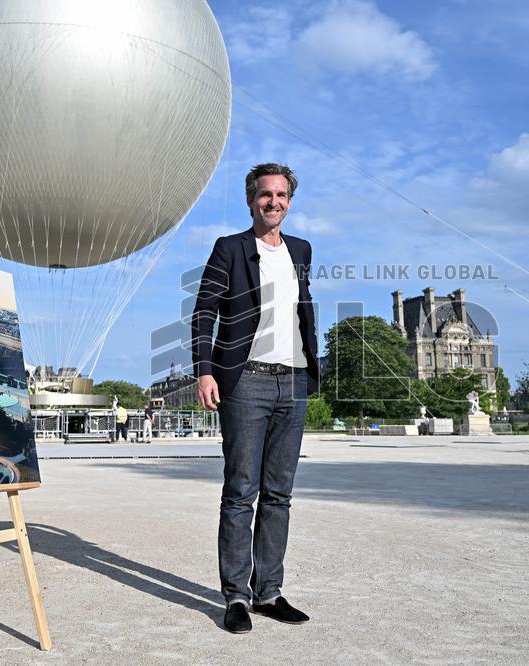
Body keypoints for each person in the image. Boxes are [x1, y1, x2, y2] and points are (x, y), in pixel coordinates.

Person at [191, 163, 319, 634]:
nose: (274, 202)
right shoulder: (230, 248)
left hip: (295, 380)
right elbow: (204, 312)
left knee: (280, 495)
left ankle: (269, 592)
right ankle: (236, 598)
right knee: (241, 492)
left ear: (290, 200)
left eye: (282, 195)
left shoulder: (301, 250)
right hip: (245, 381)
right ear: (252, 200)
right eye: (266, 194)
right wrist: (205, 370)